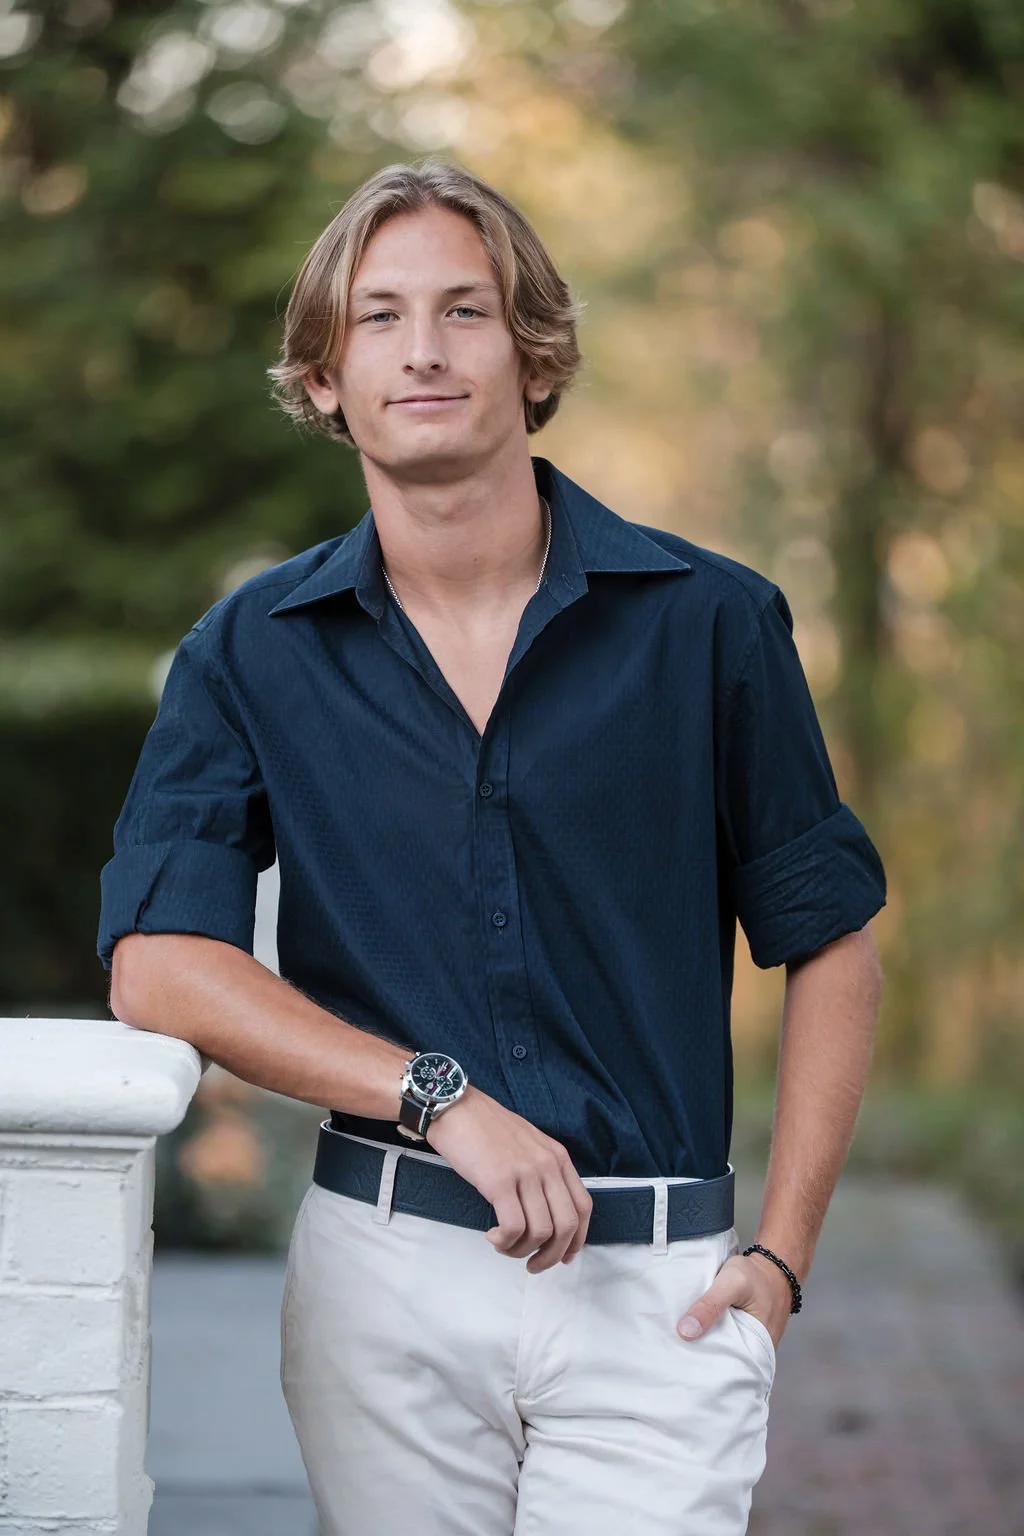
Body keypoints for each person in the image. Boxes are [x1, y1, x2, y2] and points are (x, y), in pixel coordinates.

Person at [98, 159, 886, 1536]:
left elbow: (831, 942)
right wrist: (434, 1094)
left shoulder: (712, 624)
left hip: (662, 1296)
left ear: (534, 357)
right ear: (325, 378)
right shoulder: (248, 654)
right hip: (385, 1279)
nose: (423, 350)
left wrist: (781, 1261)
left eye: (464, 311)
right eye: (380, 316)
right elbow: (158, 964)